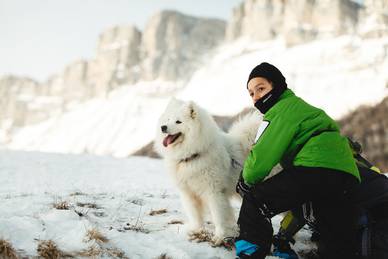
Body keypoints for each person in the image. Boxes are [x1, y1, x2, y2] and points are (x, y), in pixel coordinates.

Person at [234, 62, 361, 259]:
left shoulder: (280, 110)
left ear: (276, 85)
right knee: (335, 241)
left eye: (261, 88)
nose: (257, 96)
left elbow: (261, 156)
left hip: (314, 169)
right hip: (346, 176)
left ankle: (250, 253)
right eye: (251, 93)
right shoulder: (303, 108)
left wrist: (245, 181)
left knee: (256, 200)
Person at [272, 162, 388, 259]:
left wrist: (282, 236)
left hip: (370, 223)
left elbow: (300, 212)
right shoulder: (346, 162)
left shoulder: (313, 176)